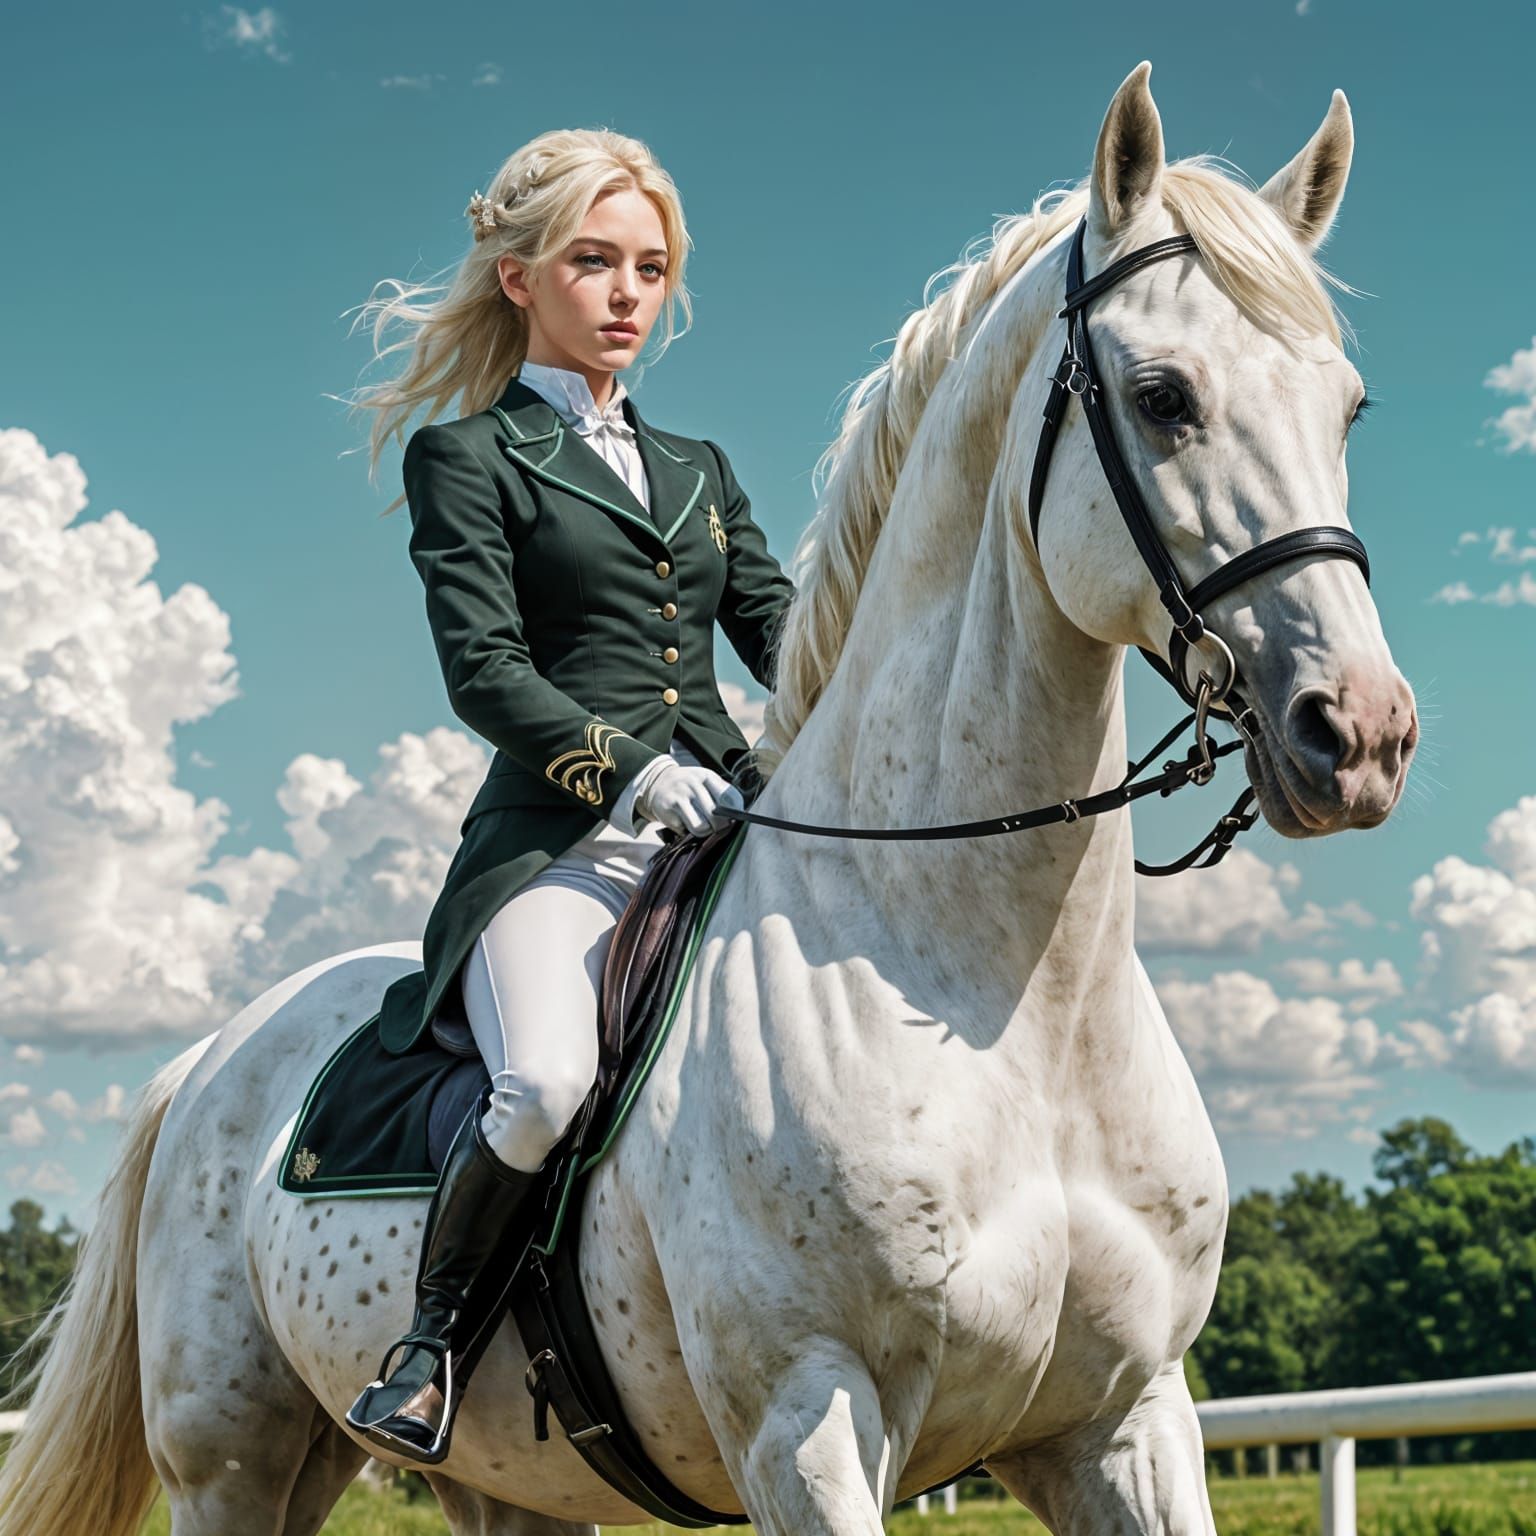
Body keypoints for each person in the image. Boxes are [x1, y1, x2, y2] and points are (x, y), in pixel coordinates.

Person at [341, 127, 797, 1463]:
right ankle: (428, 1347)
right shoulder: (466, 460)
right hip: (559, 845)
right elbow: (484, 672)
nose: (626, 296)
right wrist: (630, 771)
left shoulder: (704, 469)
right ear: (517, 278)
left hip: (726, 821)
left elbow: (784, 631)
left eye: (649, 270)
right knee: (541, 1084)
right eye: (594, 263)